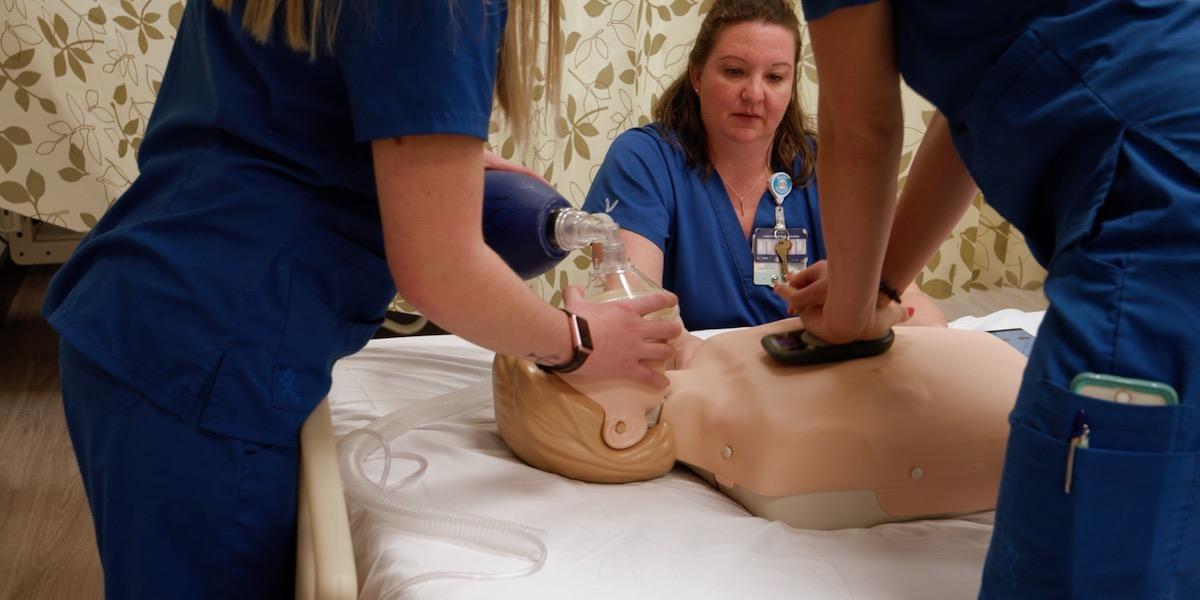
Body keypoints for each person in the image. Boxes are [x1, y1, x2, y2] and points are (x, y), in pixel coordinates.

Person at [42, 0, 680, 596]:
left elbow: (275, 103)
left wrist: (424, 149)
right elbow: (440, 270)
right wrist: (576, 344)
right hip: (211, 358)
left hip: (147, 307)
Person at [777, 1, 1200, 597]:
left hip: (1162, 212)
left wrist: (849, 317)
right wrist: (880, 288)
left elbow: (859, 129)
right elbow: (968, 112)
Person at [581, 0, 942, 367]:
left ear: (790, 86)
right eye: (735, 71)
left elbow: (912, 309)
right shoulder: (643, 160)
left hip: (810, 378)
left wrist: (868, 304)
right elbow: (635, 316)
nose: (754, 94)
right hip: (698, 384)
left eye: (774, 77)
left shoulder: (824, 167)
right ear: (697, 75)